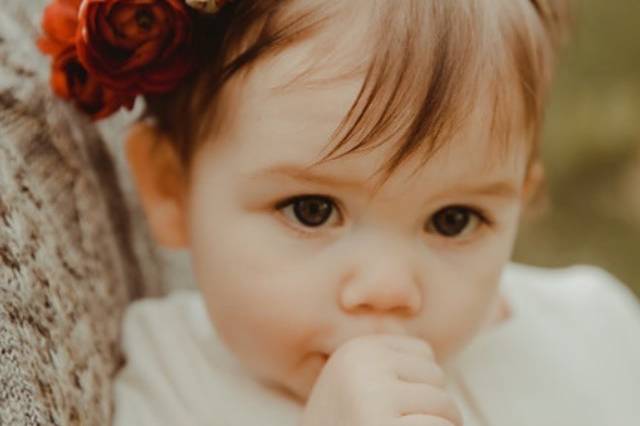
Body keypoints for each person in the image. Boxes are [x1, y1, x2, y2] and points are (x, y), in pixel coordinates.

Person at [37, 0, 640, 425]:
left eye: (453, 219)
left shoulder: (596, 331)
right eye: (312, 209)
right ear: (172, 188)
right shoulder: (175, 381)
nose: (388, 289)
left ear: (521, 198)